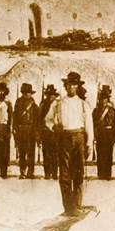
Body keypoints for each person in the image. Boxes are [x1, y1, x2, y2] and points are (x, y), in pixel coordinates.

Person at [46, 71, 93, 215]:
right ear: (65, 86)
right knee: (65, 174)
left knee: (78, 173)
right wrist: (55, 126)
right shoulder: (58, 103)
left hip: (79, 138)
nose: (71, 87)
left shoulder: (83, 104)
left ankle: (77, 205)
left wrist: (89, 143)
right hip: (64, 139)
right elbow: (48, 120)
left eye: (74, 84)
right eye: (69, 84)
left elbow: (89, 126)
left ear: (77, 87)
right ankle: (68, 207)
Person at [13, 83, 39, 179]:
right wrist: (14, 129)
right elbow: (15, 117)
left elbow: (37, 120)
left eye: (28, 93)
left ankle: (30, 172)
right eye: (25, 93)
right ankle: (23, 172)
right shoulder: (18, 103)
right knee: (22, 153)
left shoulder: (34, 106)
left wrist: (36, 133)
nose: (26, 94)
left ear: (31, 94)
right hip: (21, 130)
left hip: (31, 131)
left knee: (31, 153)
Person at [92, 85, 115, 180]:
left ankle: (108, 174)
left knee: (108, 154)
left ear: (107, 100)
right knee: (100, 154)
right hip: (100, 133)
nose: (103, 101)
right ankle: (101, 173)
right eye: (102, 99)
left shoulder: (112, 110)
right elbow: (94, 123)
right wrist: (94, 135)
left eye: (105, 99)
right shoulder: (96, 110)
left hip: (109, 133)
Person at [38, 84, 59, 180]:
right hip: (46, 130)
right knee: (46, 153)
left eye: (53, 95)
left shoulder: (58, 104)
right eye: (49, 95)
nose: (51, 97)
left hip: (55, 131)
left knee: (55, 153)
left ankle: (54, 173)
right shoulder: (43, 104)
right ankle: (47, 173)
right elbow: (39, 119)